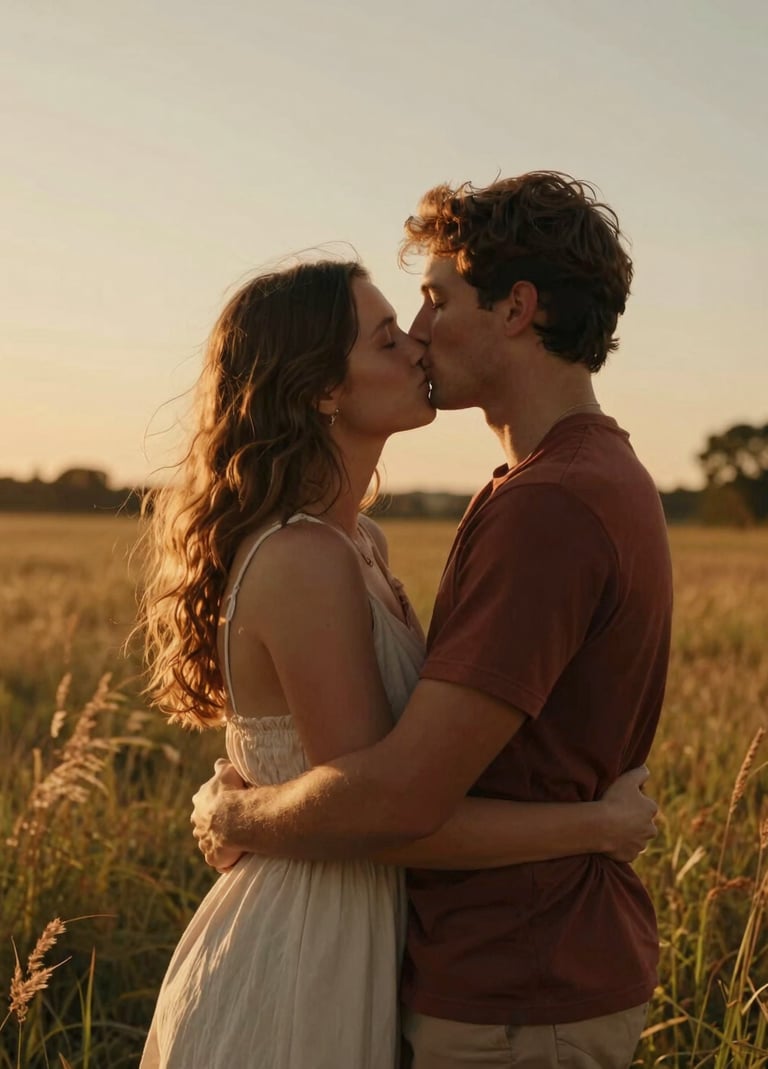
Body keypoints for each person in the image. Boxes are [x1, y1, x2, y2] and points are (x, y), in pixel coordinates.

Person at [191, 173, 674, 1069]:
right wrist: (597, 824)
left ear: (516, 309)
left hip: (519, 986)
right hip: (467, 969)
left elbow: (396, 800)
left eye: (435, 299)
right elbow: (391, 789)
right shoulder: (547, 486)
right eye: (393, 326)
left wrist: (241, 814)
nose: (418, 333)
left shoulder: (551, 503)